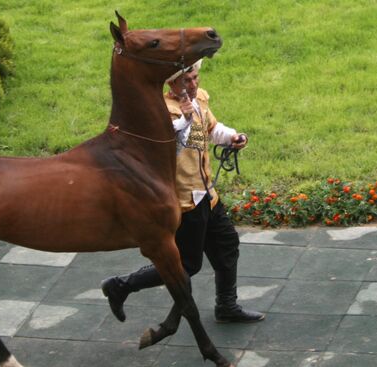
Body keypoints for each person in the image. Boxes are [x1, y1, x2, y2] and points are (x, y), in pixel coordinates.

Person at [101, 60, 265, 324]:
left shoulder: (199, 99)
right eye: (186, 80)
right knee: (186, 265)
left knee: (226, 244)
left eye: (195, 77)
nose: (193, 84)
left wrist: (232, 137)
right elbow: (175, 144)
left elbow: (210, 129)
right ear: (170, 83)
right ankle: (121, 285)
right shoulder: (163, 112)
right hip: (183, 201)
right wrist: (187, 118)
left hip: (207, 195)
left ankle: (226, 305)